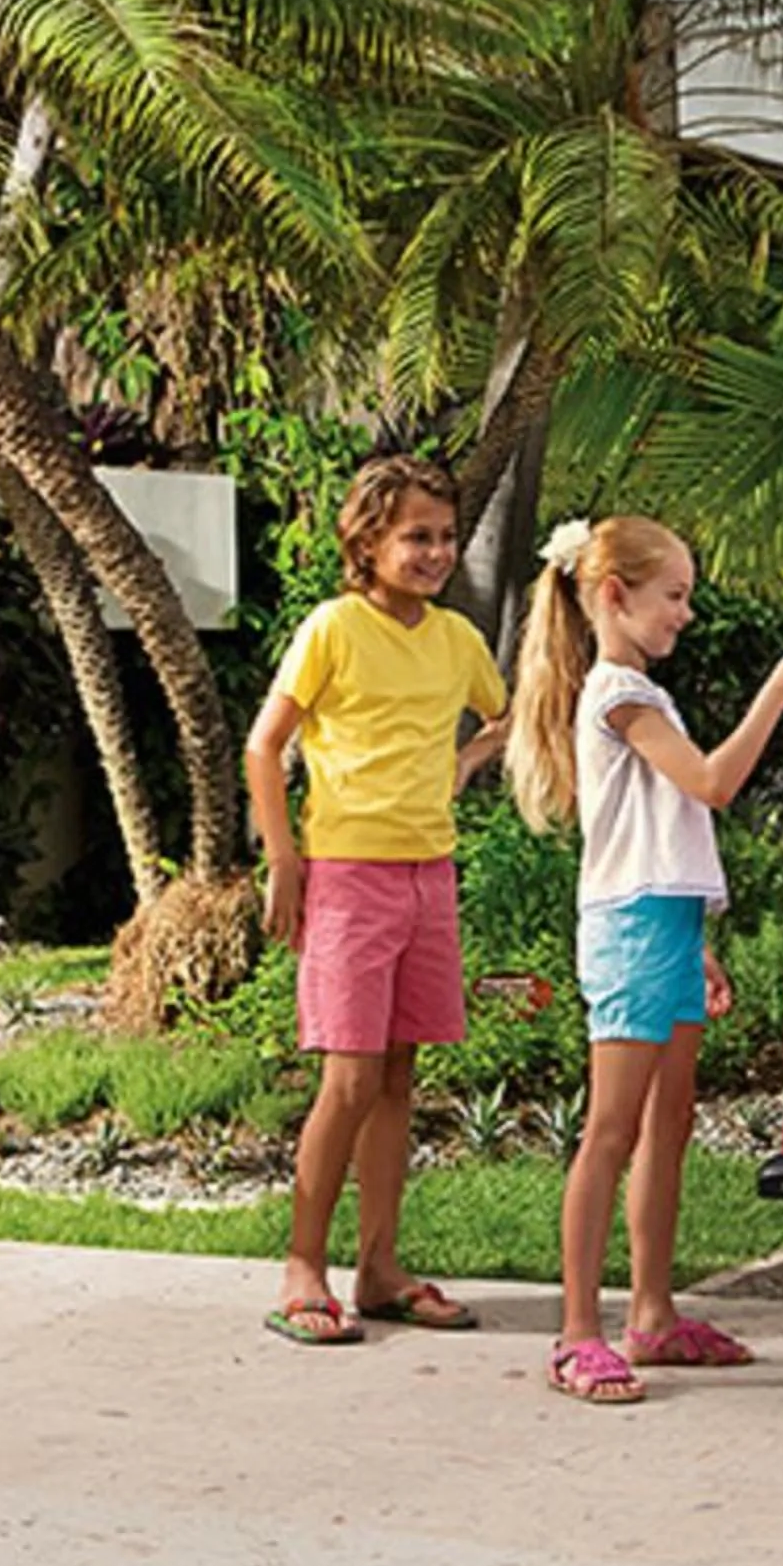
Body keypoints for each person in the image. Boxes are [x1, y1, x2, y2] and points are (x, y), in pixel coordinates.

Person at [503, 515, 783, 1404]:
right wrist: (777, 688)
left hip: (666, 925)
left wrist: (699, 937)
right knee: (611, 1132)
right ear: (614, 596)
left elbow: (669, 828)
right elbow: (712, 785)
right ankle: (578, 1332)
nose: (686, 614)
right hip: (627, 931)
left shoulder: (641, 693)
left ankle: (651, 1314)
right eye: (675, 596)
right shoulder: (621, 696)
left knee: (668, 1127)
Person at [249, 455, 511, 1346]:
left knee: (399, 1077)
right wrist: (284, 858)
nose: (435, 552)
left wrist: (466, 761)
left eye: (444, 536)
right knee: (351, 1077)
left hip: (427, 875)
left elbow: (506, 716)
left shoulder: (456, 641)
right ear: (367, 541)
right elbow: (263, 746)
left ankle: (381, 1270)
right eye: (416, 537)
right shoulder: (332, 628)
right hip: (348, 877)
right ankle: (302, 1266)